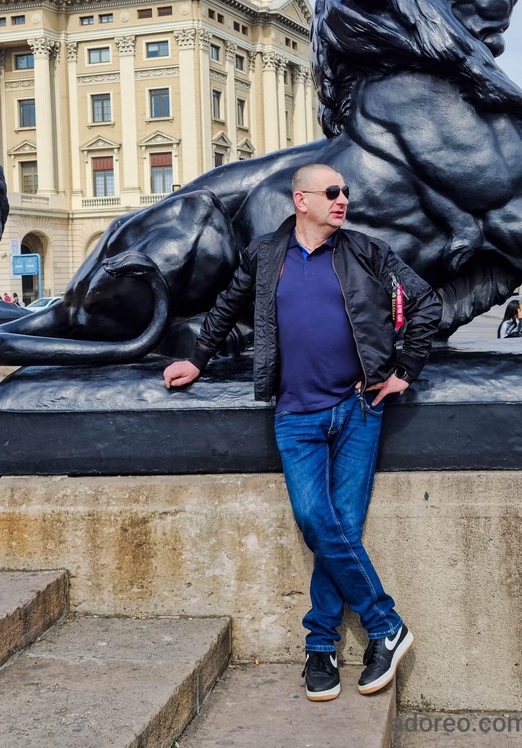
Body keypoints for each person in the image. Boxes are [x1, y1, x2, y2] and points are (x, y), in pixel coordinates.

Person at [164, 163, 441, 701]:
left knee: (342, 527)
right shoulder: (266, 255)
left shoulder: (368, 251)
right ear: (301, 200)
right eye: (331, 191)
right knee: (317, 520)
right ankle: (385, 625)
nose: (342, 200)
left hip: (358, 408)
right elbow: (226, 306)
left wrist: (404, 371)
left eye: (346, 192)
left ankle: (319, 646)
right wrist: (197, 359)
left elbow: (426, 302)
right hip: (295, 414)